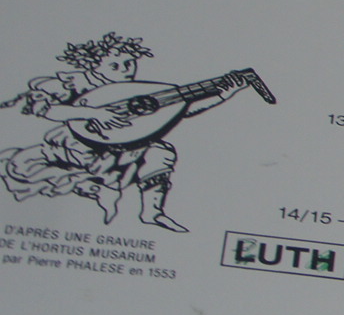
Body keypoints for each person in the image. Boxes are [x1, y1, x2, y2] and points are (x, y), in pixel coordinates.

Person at [0, 33, 247, 231]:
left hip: (122, 149)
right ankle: (90, 187)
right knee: (21, 168)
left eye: (129, 63)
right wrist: (93, 113)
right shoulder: (76, 83)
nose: (125, 69)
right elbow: (45, 109)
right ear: (94, 65)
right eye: (115, 65)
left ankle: (152, 213)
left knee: (161, 152)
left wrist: (224, 95)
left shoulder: (139, 90)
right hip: (74, 146)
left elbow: (182, 110)